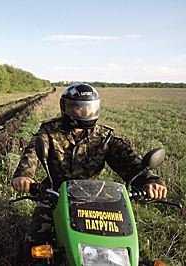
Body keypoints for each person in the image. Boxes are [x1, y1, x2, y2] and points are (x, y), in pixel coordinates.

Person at [11, 83, 167, 246]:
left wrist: (150, 181)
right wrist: (24, 176)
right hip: (55, 193)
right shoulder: (49, 132)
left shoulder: (104, 136)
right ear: (65, 108)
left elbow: (129, 160)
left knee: (117, 241)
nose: (85, 112)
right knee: (36, 241)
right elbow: (33, 152)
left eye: (89, 108)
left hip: (93, 195)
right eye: (77, 107)